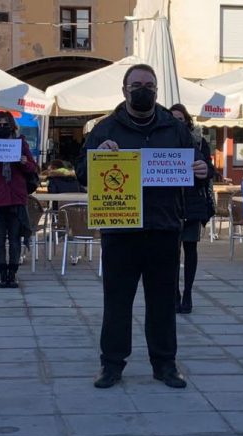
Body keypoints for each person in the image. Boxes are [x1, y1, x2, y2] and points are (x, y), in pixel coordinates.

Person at [76, 64, 210, 389]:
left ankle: (165, 365)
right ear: (124, 90)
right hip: (119, 230)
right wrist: (97, 155)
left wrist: (203, 169)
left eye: (148, 84)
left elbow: (196, 170)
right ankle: (111, 365)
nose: (143, 89)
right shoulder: (104, 129)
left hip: (164, 227)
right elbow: (82, 173)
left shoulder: (174, 128)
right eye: (136, 84)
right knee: (117, 302)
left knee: (163, 302)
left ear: (156, 90)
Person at [0, 111, 38, 288]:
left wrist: (23, 162)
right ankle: (1, 273)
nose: (2, 127)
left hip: (16, 198)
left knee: (14, 238)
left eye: (6, 124)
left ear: (12, 126)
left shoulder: (21, 145)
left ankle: (12, 274)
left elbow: (33, 168)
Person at [169, 103, 216, 314]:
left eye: (180, 119)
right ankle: (174, 293)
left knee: (190, 249)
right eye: (172, 119)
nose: (176, 123)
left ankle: (187, 292)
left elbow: (210, 170)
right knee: (170, 252)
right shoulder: (162, 143)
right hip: (169, 204)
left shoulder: (198, 142)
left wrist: (203, 169)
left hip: (193, 203)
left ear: (187, 122)